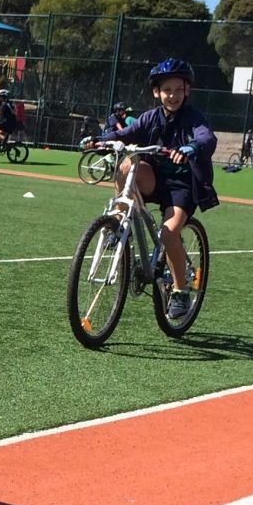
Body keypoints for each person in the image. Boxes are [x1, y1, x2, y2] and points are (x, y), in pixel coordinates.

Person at [83, 57, 219, 320]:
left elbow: (206, 137)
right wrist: (100, 140)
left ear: (187, 90)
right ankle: (121, 221)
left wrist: (192, 147)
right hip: (155, 178)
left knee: (169, 234)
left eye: (179, 89)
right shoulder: (150, 118)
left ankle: (180, 291)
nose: (173, 95)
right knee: (126, 165)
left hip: (182, 187)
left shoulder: (193, 117)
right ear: (157, 92)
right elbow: (125, 135)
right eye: (167, 90)